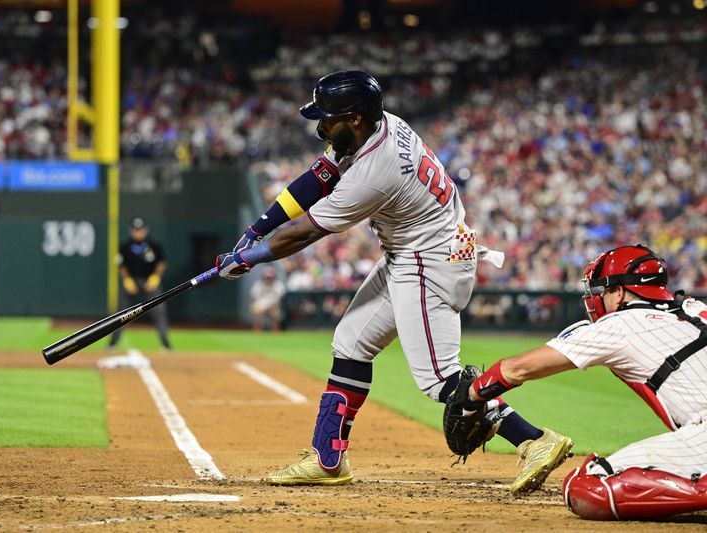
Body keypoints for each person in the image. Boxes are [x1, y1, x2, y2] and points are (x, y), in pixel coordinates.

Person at [215, 70, 572, 492]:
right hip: (413, 254)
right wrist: (256, 229)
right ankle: (328, 460)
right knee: (351, 342)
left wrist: (248, 259)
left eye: (329, 119)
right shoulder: (380, 126)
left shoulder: (376, 170)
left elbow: (306, 231)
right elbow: (319, 176)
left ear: (356, 119)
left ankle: (533, 439)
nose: (321, 127)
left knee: (440, 379)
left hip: (429, 260)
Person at [458, 244, 707, 519]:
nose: (598, 298)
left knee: (588, 486)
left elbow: (518, 369)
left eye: (604, 290)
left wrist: (473, 395)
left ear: (620, 292)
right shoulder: (695, 307)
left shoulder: (620, 324)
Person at [108, 217, 171, 351]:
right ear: (131, 230)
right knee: (121, 314)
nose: (138, 233)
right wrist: (127, 280)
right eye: (135, 230)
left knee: (159, 310)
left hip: (150, 281)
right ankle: (112, 344)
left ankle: (166, 344)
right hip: (131, 281)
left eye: (140, 230)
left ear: (146, 230)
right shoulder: (125, 246)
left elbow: (161, 263)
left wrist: (155, 278)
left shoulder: (154, 244)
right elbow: (121, 265)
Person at [250, 266, 286, 331]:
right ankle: (258, 329)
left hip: (274, 304)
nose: (268, 279)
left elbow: (280, 298)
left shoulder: (278, 284)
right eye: (267, 277)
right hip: (261, 304)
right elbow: (254, 297)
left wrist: (272, 305)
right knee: (256, 308)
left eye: (270, 277)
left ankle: (275, 329)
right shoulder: (258, 284)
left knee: (275, 310)